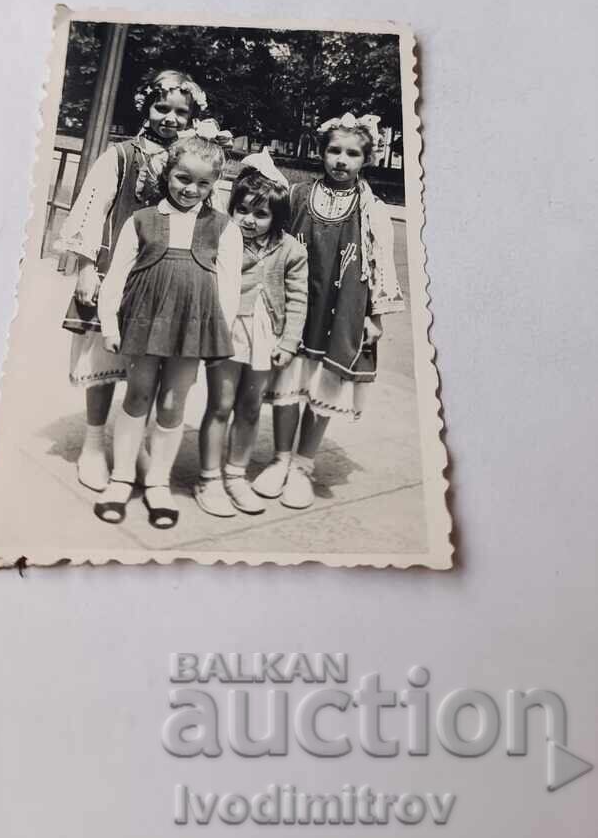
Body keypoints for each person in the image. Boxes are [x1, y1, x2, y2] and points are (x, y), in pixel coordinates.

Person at [57, 69, 207, 492]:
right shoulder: (121, 156)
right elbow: (92, 210)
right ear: (146, 106)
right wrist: (87, 267)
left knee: (148, 371)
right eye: (162, 107)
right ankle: (92, 443)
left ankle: (137, 445)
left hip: (162, 281)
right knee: (103, 364)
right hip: (113, 273)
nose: (170, 118)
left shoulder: (191, 163)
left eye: (181, 112)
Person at [94, 127, 243, 528]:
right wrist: (109, 323)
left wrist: (218, 337)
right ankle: (122, 477)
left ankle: (158, 482)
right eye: (183, 178)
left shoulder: (223, 226)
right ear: (168, 172)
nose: (191, 189)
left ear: (214, 185)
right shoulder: (142, 220)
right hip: (143, 321)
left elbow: (229, 287)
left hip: (191, 328)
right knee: (138, 395)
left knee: (174, 403)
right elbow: (117, 275)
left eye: (203, 183)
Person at [256, 112, 404, 510]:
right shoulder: (298, 196)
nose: (341, 159)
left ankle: (303, 465)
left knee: (323, 385)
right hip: (296, 304)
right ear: (321, 152)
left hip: (342, 309)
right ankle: (280, 458)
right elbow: (272, 241)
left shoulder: (373, 209)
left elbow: (381, 265)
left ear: (365, 158)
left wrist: (376, 317)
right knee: (287, 383)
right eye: (334, 150)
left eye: (352, 153)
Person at [195, 150, 308, 517]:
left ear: (276, 216)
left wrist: (289, 341)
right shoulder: (224, 240)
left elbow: (297, 297)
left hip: (266, 336)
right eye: (242, 210)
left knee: (250, 406)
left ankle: (236, 475)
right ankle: (209, 478)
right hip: (228, 332)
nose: (249, 220)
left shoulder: (290, 248)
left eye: (261, 214)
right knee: (221, 404)